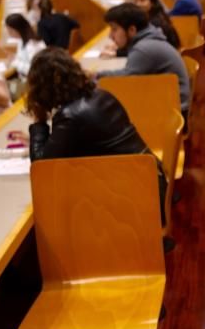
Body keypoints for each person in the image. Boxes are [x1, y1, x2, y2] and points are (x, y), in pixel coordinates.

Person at [22, 48, 167, 222]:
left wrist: (39, 121)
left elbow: (43, 168)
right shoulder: (101, 95)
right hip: (150, 184)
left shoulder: (70, 115)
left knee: (61, 212)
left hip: (134, 204)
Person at [97, 3, 191, 118]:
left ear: (132, 30)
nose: (110, 36)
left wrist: (96, 77)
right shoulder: (147, 40)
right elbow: (128, 74)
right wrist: (99, 75)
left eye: (114, 29)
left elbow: (124, 81)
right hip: (172, 105)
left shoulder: (144, 49)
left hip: (174, 114)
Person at [4, 13, 46, 81]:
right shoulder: (22, 39)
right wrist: (14, 57)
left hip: (35, 81)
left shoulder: (32, 44)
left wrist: (14, 62)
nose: (9, 33)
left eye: (9, 30)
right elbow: (25, 59)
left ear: (16, 29)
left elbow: (33, 70)